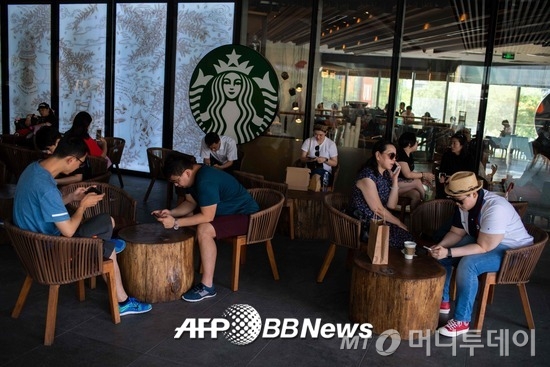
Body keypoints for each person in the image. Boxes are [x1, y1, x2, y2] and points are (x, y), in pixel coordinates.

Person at [12, 136, 151, 316]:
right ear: (70, 159)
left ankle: (102, 242)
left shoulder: (34, 170)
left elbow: (44, 204)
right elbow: (69, 231)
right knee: (107, 246)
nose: (80, 166)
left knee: (104, 221)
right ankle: (122, 302)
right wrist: (83, 206)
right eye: (80, 162)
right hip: (51, 251)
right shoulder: (46, 187)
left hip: (32, 246)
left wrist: (71, 198)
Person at [428, 171, 533, 337]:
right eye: (454, 200)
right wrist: (440, 247)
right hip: (486, 241)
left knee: (468, 264)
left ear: (474, 193)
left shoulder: (495, 208)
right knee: (441, 256)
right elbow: (456, 233)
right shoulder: (464, 204)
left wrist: (449, 252)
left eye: (460, 201)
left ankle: (462, 320)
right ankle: (443, 300)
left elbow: (484, 247)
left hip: (515, 252)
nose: (457, 205)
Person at [152, 154, 259, 302]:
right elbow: (190, 203)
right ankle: (183, 269)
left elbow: (207, 217)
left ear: (187, 173)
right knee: (191, 217)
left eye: (176, 181)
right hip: (227, 213)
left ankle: (207, 286)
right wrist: (171, 212)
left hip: (247, 216)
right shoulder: (191, 179)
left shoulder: (205, 180)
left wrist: (175, 222)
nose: (176, 185)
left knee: (204, 229)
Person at [349, 140, 414, 248]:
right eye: (391, 155)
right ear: (378, 155)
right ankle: (387, 264)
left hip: (378, 221)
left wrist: (395, 180)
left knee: (408, 239)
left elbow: (391, 205)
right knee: (405, 240)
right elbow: (378, 209)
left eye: (395, 157)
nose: (394, 160)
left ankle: (390, 264)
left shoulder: (385, 175)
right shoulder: (367, 176)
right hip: (363, 225)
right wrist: (398, 222)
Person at [396, 132, 435, 209]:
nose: (417, 143)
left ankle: (414, 217)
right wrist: (424, 175)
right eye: (416, 141)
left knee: (416, 194)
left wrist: (421, 179)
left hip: (401, 184)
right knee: (417, 182)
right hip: (393, 184)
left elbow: (410, 174)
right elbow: (408, 174)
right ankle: (428, 205)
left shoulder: (409, 154)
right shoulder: (401, 154)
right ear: (410, 144)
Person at [436, 132, 476, 199]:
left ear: (462, 145)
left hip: (462, 186)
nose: (451, 145)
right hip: (447, 184)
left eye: (454, 143)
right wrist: (442, 177)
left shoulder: (469, 158)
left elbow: (469, 175)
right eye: (451, 143)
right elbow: (442, 170)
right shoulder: (447, 155)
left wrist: (454, 178)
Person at [300, 124, 339, 191]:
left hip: (325, 174)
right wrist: (310, 159)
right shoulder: (308, 141)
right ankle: (314, 184)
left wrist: (325, 160)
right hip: (309, 171)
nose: (318, 137)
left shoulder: (331, 144)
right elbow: (302, 159)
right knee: (306, 175)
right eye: (315, 134)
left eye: (321, 135)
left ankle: (314, 183)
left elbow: (335, 163)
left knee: (318, 173)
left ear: (325, 132)